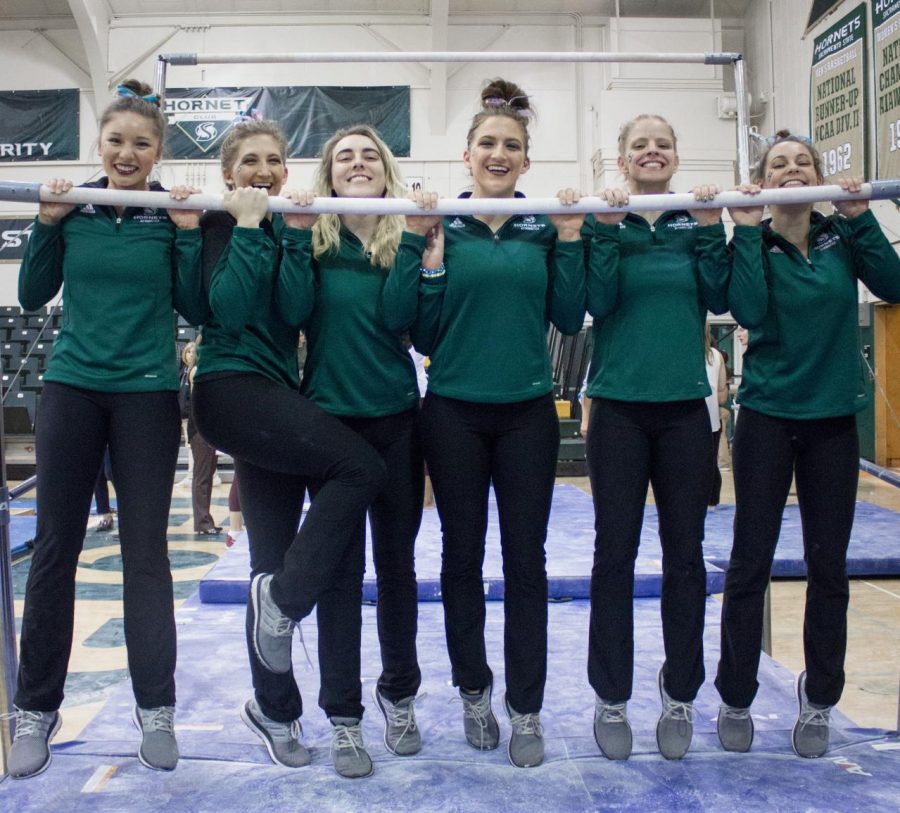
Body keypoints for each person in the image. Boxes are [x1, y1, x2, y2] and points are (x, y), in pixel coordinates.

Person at [9, 79, 206, 778]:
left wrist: (185, 238)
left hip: (147, 397)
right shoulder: (76, 207)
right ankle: (35, 707)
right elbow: (32, 293)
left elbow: (196, 303)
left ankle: (156, 708)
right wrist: (47, 222)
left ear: (159, 151)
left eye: (141, 143)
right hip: (72, 390)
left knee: (146, 555)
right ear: (101, 144)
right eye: (117, 140)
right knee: (55, 550)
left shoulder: (162, 211)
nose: (127, 152)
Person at [190, 118, 387, 779]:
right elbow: (230, 307)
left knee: (267, 564)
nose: (265, 170)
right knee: (362, 465)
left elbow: (298, 309)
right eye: (250, 160)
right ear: (229, 173)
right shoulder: (224, 222)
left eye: (275, 159)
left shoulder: (286, 227)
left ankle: (275, 709)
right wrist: (246, 227)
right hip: (230, 389)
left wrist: (295, 239)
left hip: (275, 398)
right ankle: (285, 599)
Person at [405, 78, 586, 768]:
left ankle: (527, 708)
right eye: (488, 143)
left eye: (511, 145)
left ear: (527, 160)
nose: (499, 152)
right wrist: (427, 268)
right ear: (467, 153)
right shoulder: (441, 221)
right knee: (461, 557)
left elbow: (569, 318)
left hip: (526, 414)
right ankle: (474, 691)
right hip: (452, 410)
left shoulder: (542, 220)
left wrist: (569, 239)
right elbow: (421, 333)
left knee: (526, 562)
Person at [714, 131, 900, 758]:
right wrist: (743, 230)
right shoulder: (756, 239)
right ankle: (736, 695)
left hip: (830, 425)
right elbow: (748, 308)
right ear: (763, 180)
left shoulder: (842, 237)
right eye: (780, 164)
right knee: (749, 563)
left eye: (804, 163)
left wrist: (860, 214)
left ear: (819, 173)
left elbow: (894, 286)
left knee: (830, 570)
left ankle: (819, 699)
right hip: (767, 416)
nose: (793, 170)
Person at [280, 124, 427, 767]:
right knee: (339, 576)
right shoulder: (314, 237)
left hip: (396, 419)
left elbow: (403, 323)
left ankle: (399, 695)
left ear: (387, 170)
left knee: (397, 570)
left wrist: (414, 239)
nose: (359, 162)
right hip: (331, 427)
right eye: (345, 156)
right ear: (329, 173)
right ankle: (343, 714)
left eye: (371, 154)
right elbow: (292, 313)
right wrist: (289, 236)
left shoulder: (405, 236)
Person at [584, 113, 729, 761]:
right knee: (614, 555)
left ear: (675, 155)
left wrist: (710, 228)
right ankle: (611, 695)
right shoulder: (603, 219)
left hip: (681, 415)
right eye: (638, 143)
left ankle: (680, 693)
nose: (650, 151)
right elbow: (599, 300)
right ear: (622, 159)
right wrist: (607, 230)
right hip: (617, 409)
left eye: (661, 143)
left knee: (686, 558)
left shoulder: (694, 218)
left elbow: (725, 295)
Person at [182, 339, 221, 535]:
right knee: (202, 477)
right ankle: (202, 522)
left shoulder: (201, 371)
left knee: (206, 475)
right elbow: (200, 404)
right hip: (200, 430)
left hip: (206, 430)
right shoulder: (197, 371)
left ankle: (206, 520)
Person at [704, 324, 728, 509]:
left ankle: (711, 500)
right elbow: (722, 393)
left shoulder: (714, 356)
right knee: (708, 461)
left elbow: (722, 394)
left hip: (706, 417)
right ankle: (711, 501)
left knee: (708, 462)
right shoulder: (716, 356)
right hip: (709, 417)